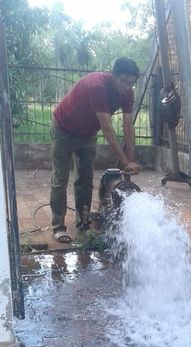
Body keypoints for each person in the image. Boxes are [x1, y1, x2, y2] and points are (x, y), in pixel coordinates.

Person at [50, 57, 141, 243]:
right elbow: (108, 128)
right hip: (64, 128)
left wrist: (130, 161)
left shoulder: (127, 93)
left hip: (88, 133)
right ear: (113, 76)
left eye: (131, 83)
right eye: (123, 82)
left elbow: (128, 126)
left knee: (85, 179)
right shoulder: (97, 86)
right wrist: (124, 161)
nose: (127, 87)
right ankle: (58, 227)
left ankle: (83, 224)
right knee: (60, 179)